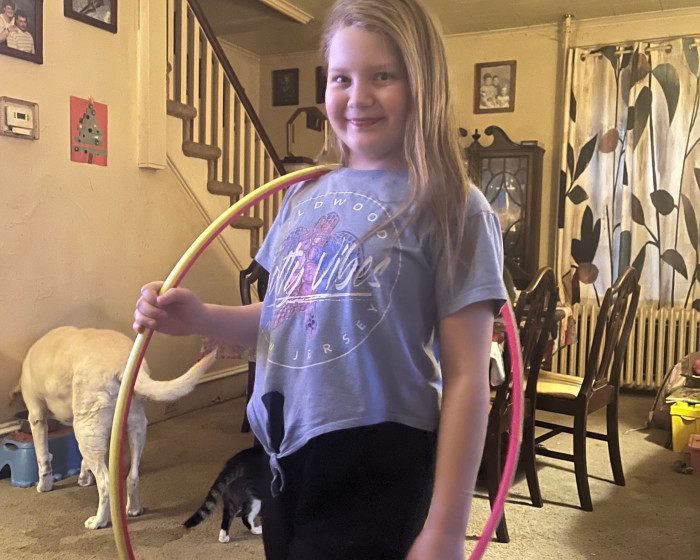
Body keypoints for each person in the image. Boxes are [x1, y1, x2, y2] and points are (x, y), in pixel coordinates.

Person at [133, 0, 506, 558]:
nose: (358, 96)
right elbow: (286, 317)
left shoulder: (454, 206)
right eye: (341, 78)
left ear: (422, 84)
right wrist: (202, 317)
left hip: (380, 455)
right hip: (285, 451)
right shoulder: (301, 196)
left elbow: (468, 376)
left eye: (383, 76)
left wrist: (447, 530)